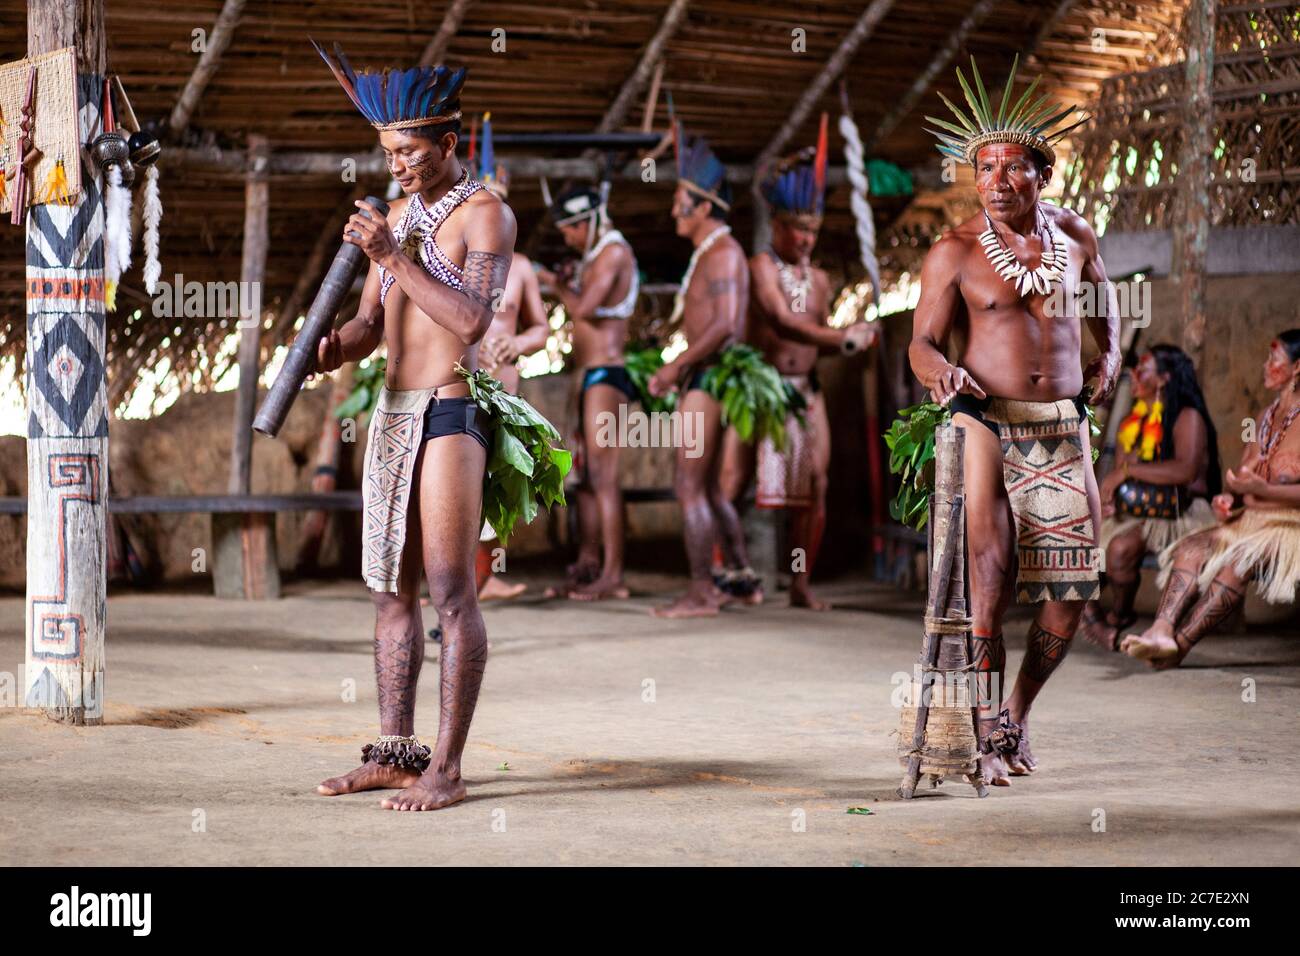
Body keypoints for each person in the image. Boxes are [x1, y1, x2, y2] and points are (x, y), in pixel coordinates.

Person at [310, 44, 515, 811]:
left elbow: (469, 319)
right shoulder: (395, 217)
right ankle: (396, 754)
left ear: (450, 145)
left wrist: (395, 254)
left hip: (452, 411)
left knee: (450, 592)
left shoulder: (486, 211)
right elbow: (370, 321)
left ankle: (448, 771)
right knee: (389, 592)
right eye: (390, 152)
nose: (398, 165)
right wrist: (340, 349)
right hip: (393, 414)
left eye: (412, 152)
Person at [908, 56, 1119, 785]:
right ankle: (980, 728)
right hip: (984, 420)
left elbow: (1103, 301)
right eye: (985, 169)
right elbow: (921, 343)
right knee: (991, 579)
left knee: (1069, 594)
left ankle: (1016, 714)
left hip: (1060, 420)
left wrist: (1111, 353)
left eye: (1012, 168)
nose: (996, 181)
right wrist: (943, 374)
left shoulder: (1076, 237)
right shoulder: (956, 251)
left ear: (1041, 175)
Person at [718, 116, 878, 610]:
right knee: (732, 481)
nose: (807, 239)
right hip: (757, 386)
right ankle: (731, 575)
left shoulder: (826, 280)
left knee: (817, 486)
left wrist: (857, 340)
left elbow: (817, 338)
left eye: (813, 230)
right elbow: (783, 323)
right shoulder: (759, 266)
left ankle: (801, 584)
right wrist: (844, 338)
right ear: (779, 226)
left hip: (806, 389)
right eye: (798, 230)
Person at [1122, 331, 1300, 667]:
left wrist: (1267, 492)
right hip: (1248, 520)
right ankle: (1160, 631)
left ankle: (1180, 645)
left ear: (1297, 368)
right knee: (1190, 549)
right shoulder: (1264, 418)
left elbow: (1271, 487)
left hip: (1289, 525)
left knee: (1238, 563)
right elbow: (1245, 481)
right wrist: (1229, 500)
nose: (1265, 366)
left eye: (1274, 359)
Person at [646, 126, 751, 618]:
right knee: (707, 487)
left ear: (704, 207)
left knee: (689, 484)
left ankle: (702, 590)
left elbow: (727, 326)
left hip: (708, 376)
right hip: (706, 375)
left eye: (680, 202)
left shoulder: (724, 253)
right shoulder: (711, 254)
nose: (673, 211)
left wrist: (676, 366)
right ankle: (742, 579)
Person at [536, 183, 641, 600]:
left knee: (604, 477)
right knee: (585, 479)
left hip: (606, 375)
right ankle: (589, 564)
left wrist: (551, 281)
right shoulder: (596, 255)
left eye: (569, 231)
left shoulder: (615, 251)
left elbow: (583, 308)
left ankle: (613, 574)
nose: (567, 239)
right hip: (588, 376)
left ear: (587, 222)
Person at [1081, 345, 1220, 650]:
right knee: (1090, 548)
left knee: (1119, 550)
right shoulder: (1134, 420)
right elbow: (1122, 473)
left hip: (1181, 511)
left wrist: (1128, 471)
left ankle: (1117, 620)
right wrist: (1112, 499)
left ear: (1165, 379)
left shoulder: (1187, 416)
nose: (1135, 375)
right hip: (1139, 509)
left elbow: (1185, 470)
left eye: (1144, 369)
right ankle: (1117, 614)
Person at [471, 117, 551, 601]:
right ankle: (454, 582)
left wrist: (515, 345)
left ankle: (483, 578)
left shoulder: (521, 268)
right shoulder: (455, 256)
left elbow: (542, 329)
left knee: (499, 480)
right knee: (456, 480)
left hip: (506, 386)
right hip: (461, 378)